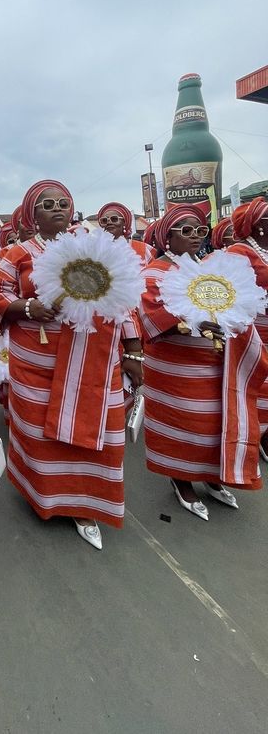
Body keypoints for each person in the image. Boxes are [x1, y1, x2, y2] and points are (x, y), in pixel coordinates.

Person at [0, 181, 143, 550]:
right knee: (41, 435)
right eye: (47, 204)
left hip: (94, 358)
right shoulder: (15, 253)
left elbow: (123, 302)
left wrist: (134, 351)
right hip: (37, 364)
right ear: (32, 215)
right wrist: (29, 307)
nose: (57, 208)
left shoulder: (95, 245)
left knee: (102, 429)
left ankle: (87, 503)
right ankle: (44, 495)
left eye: (63, 203)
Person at [139, 205, 267, 520]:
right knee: (182, 425)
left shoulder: (211, 267)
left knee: (211, 425)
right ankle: (180, 478)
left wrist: (232, 320)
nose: (195, 236)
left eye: (200, 230)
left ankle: (211, 476)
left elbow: (235, 305)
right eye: (186, 231)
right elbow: (148, 317)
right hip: (173, 369)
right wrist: (191, 323)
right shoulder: (154, 272)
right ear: (167, 237)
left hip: (214, 364)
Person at [228, 198, 268, 461]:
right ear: (258, 225)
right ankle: (258, 436)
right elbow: (229, 293)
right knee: (259, 385)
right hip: (254, 332)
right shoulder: (238, 252)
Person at [97, 202, 153, 266]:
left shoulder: (141, 248)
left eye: (114, 219)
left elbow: (152, 269)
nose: (109, 222)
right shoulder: (95, 249)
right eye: (104, 220)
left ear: (124, 222)